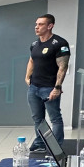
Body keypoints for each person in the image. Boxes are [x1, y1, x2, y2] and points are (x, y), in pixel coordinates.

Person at [25, 14, 70, 151]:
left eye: (40, 24)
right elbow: (32, 60)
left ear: (50, 26)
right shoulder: (35, 44)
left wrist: (57, 87)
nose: (36, 27)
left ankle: (55, 148)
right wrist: (27, 77)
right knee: (38, 119)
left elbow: (63, 66)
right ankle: (40, 143)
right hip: (34, 88)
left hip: (49, 87)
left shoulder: (60, 43)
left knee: (55, 118)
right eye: (36, 24)